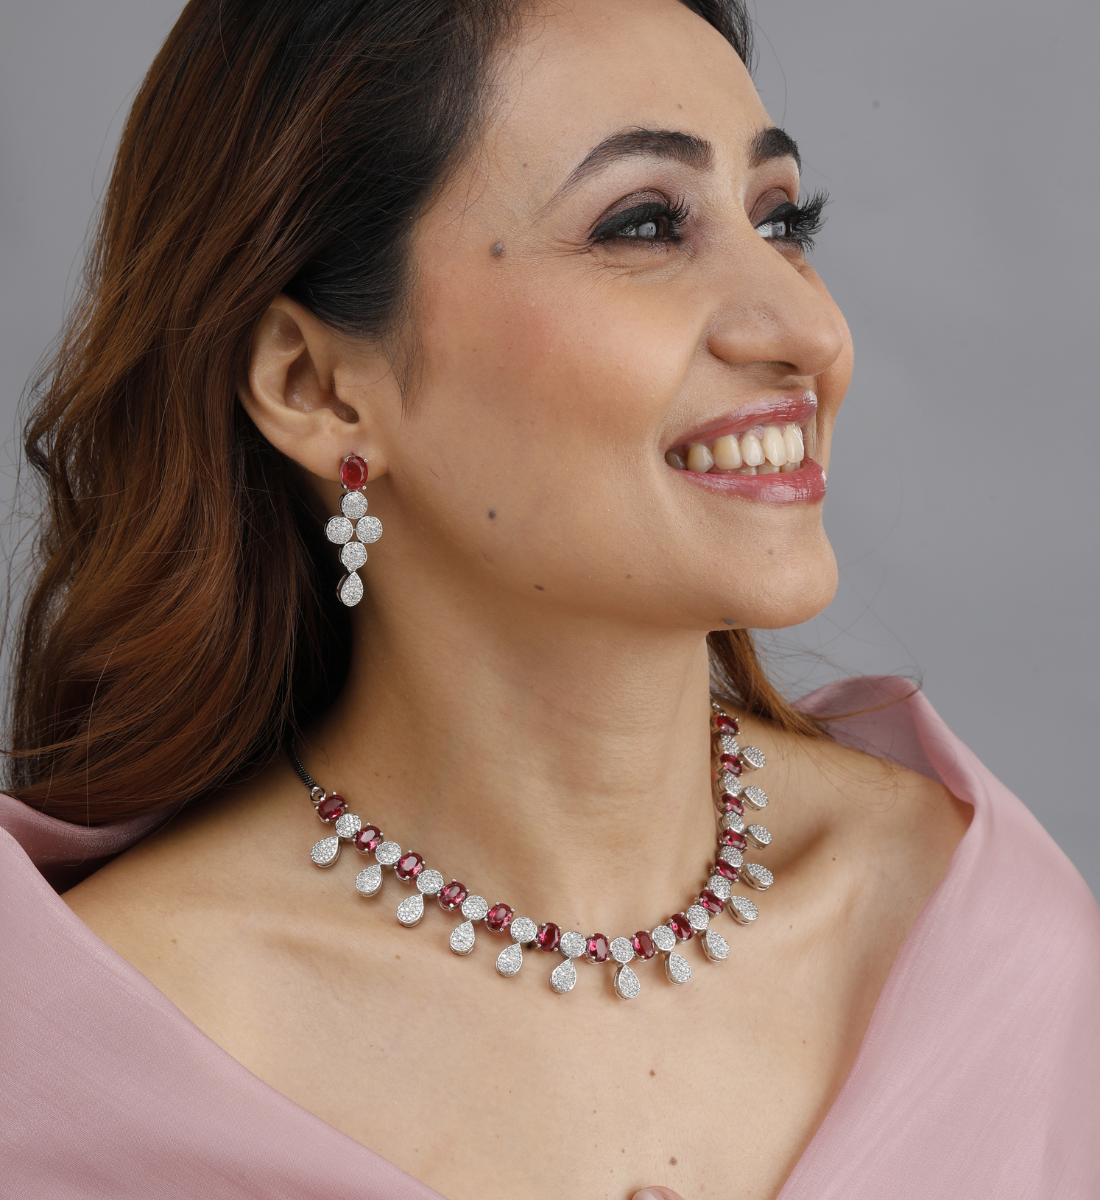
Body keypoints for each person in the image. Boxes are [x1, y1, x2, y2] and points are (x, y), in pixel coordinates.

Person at [1, 1, 1097, 1197]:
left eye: (781, 220)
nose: (809, 329)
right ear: (317, 387)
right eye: (643, 224)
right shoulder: (78, 1065)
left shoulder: (981, 946)